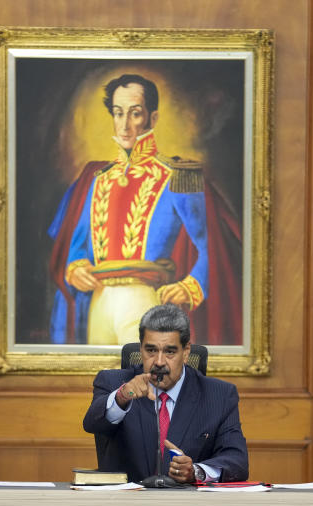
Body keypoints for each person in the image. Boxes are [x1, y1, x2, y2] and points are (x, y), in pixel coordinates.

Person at [48, 73, 242, 346]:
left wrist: (191, 285)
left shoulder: (177, 176)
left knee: (142, 382)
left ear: (152, 118)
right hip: (99, 302)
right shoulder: (96, 178)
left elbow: (211, 247)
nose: (124, 125)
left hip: (143, 300)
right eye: (118, 113)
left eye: (135, 113)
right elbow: (77, 246)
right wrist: (76, 267)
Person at [82, 304, 248, 484]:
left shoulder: (219, 395)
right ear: (141, 349)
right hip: (126, 505)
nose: (159, 362)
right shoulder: (113, 383)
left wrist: (196, 472)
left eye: (169, 351)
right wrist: (122, 396)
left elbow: (237, 462)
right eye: (151, 350)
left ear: (186, 352)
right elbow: (92, 424)